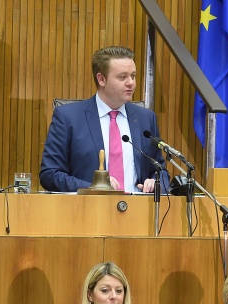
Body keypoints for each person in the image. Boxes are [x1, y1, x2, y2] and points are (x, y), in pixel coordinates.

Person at [40, 46, 171, 193]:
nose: (131, 82)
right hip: (88, 205)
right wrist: (94, 187)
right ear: (101, 79)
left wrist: (155, 182)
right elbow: (50, 174)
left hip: (137, 205)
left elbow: (161, 171)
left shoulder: (146, 118)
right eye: (122, 77)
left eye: (133, 76)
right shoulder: (68, 117)